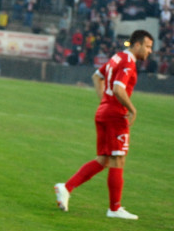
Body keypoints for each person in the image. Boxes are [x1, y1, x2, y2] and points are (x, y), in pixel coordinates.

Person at [54, 30, 154, 220]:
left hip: (104, 112)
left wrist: (104, 102)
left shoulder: (117, 57)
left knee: (104, 159)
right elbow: (118, 88)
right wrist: (132, 109)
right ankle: (114, 208)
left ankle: (66, 188)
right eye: (148, 46)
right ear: (137, 44)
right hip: (115, 115)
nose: (150, 51)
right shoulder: (128, 61)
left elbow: (96, 77)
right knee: (118, 159)